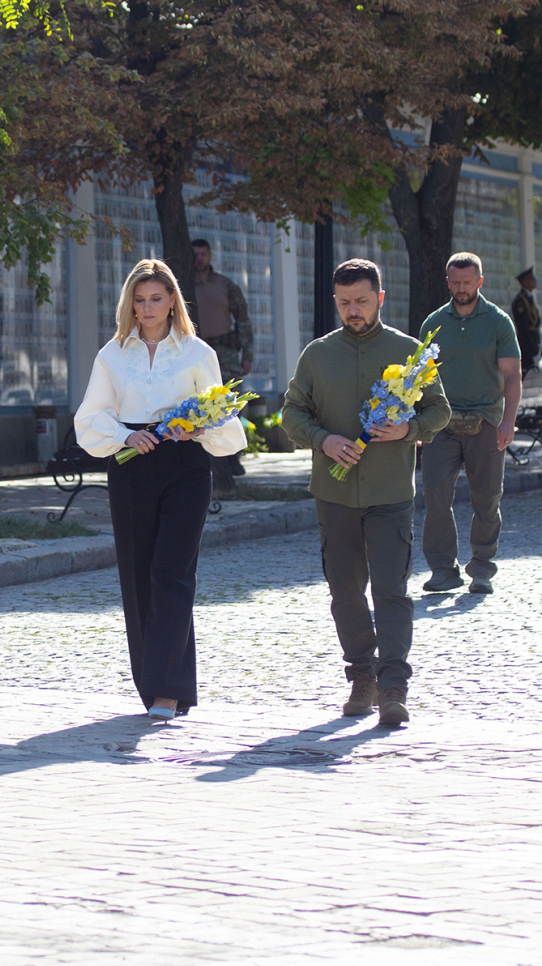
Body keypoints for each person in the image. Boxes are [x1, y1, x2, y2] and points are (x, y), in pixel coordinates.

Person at [76, 259, 247, 722]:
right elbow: (90, 416)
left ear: (173, 300)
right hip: (131, 463)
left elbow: (223, 416)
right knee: (137, 577)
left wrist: (198, 430)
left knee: (172, 573)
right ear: (129, 304)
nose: (148, 308)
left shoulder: (196, 353)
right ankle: (154, 685)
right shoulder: (112, 354)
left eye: (156, 298)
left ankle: (167, 693)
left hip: (184, 466)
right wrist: (124, 436)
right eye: (139, 299)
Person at [281, 259, 449, 727]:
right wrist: (323, 440)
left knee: (392, 590)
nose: (352, 310)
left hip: (389, 490)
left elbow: (440, 411)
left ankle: (394, 686)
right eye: (343, 303)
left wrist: (409, 430)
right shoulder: (317, 354)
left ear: (379, 298)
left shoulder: (410, 353)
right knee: (345, 592)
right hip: (333, 496)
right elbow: (292, 414)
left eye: (360, 301)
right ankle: (362, 676)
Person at [419, 253, 521, 596]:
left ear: (480, 281)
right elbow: (420, 377)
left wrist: (508, 421)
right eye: (456, 282)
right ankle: (442, 569)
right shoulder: (434, 322)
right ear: (448, 282)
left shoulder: (497, 321)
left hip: (487, 421)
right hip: (440, 422)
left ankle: (481, 568)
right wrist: (418, 423)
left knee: (486, 498)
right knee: (434, 494)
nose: (462, 288)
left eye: (468, 282)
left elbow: (512, 375)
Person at [189, 239, 253, 492]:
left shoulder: (225, 285)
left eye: (203, 254)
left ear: (210, 255)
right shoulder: (183, 286)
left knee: (230, 404)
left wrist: (247, 354)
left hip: (224, 352)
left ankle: (232, 456)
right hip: (196, 352)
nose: (199, 259)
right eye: (195, 254)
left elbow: (244, 320)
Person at [511, 267, 542, 374]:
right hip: (526, 346)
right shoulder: (521, 301)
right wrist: (531, 347)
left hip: (534, 343)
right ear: (524, 281)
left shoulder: (530, 300)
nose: (535, 281)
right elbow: (523, 327)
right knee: (527, 374)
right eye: (532, 278)